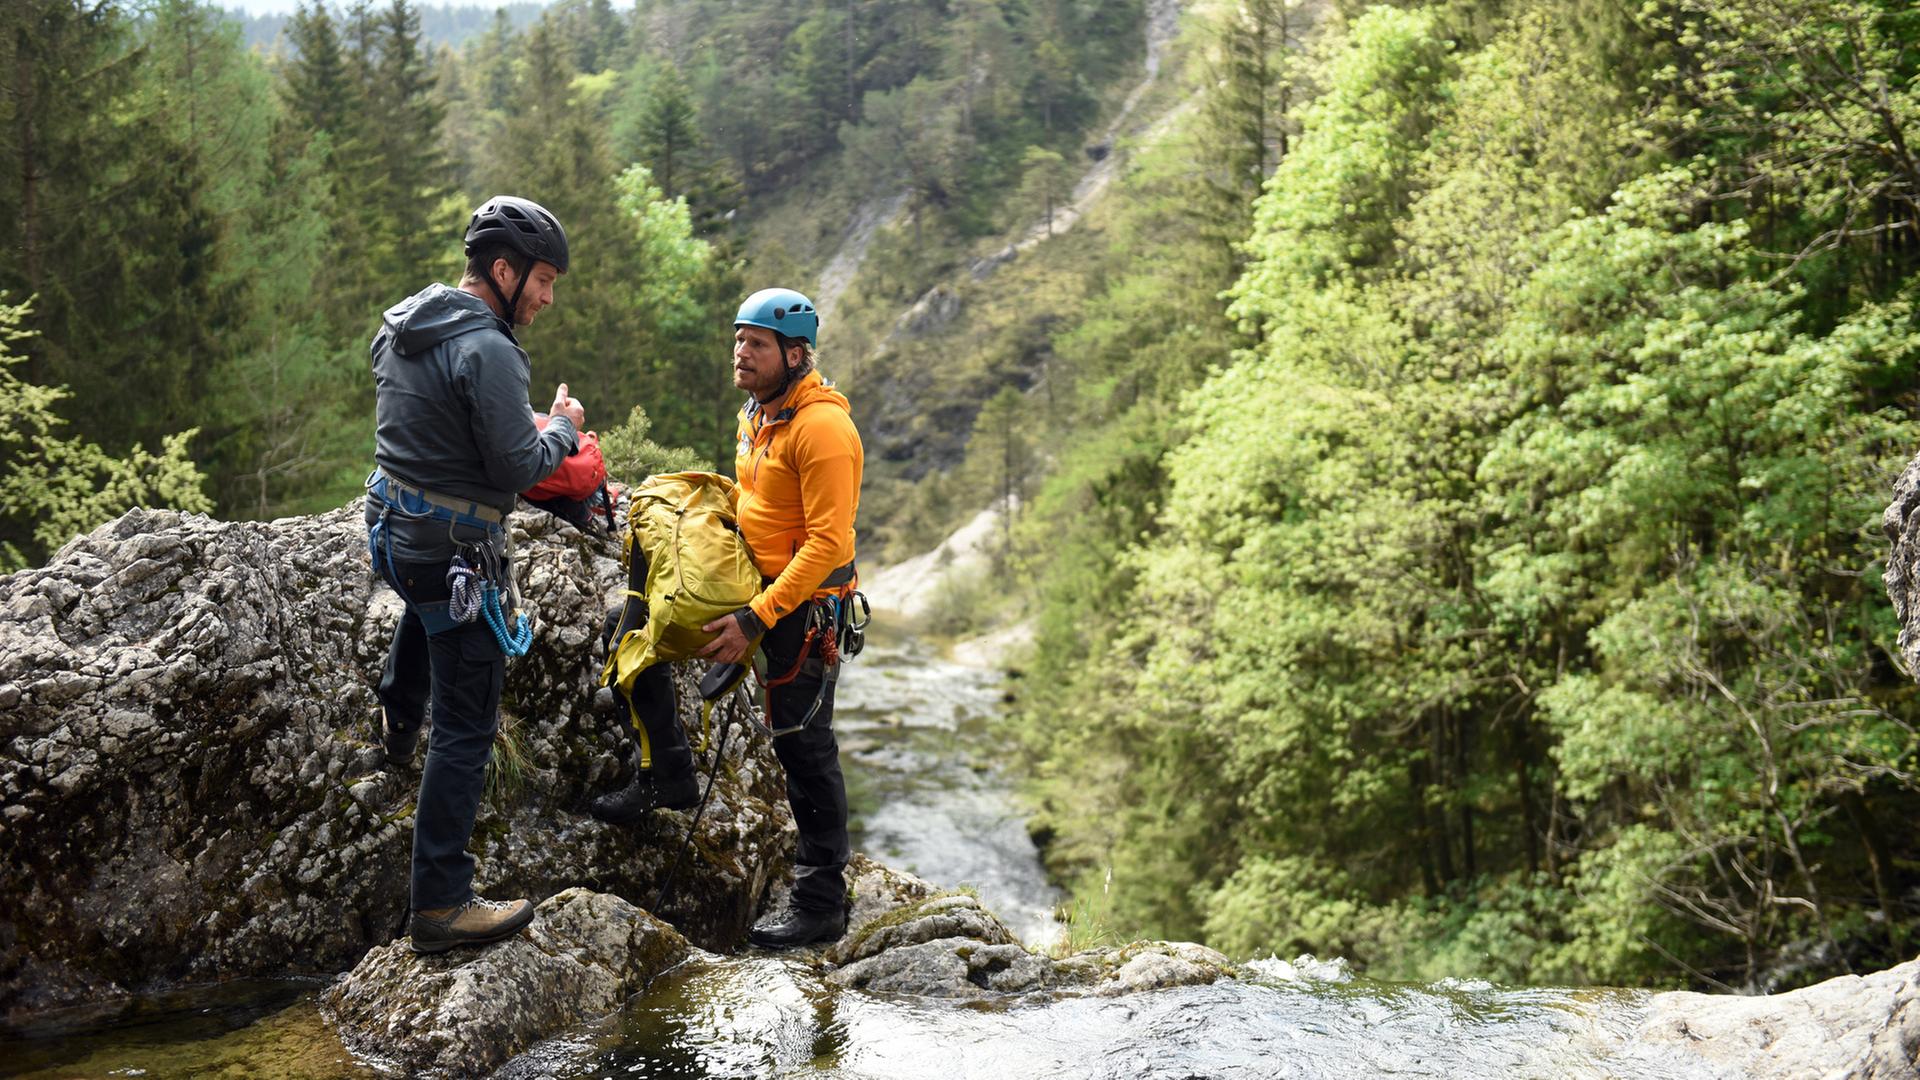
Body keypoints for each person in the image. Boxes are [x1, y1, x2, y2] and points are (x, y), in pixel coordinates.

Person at [589, 286, 862, 950]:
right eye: (738, 339)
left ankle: (822, 900)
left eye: (757, 343)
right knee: (633, 630)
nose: (741, 352)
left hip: (802, 608)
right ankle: (668, 773)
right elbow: (760, 499)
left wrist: (755, 620)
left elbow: (827, 543)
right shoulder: (759, 415)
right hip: (753, 586)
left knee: (803, 745)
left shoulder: (823, 430)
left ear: (795, 355)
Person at [365, 194, 584, 954]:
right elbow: (519, 467)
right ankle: (441, 904)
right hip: (451, 549)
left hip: (393, 532)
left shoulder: (404, 322)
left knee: (424, 610)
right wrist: (563, 430)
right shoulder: (490, 350)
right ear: (504, 270)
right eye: (543, 281)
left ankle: (397, 724)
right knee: (466, 727)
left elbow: (431, 423)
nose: (548, 298)